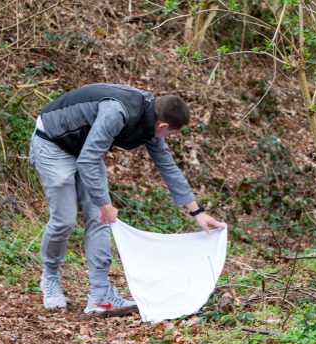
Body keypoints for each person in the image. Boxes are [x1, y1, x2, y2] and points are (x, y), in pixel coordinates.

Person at [29, 83, 225, 314]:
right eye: (170, 134)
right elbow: (88, 161)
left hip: (85, 149)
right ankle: (50, 278)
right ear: (162, 125)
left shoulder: (149, 122)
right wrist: (105, 204)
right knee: (65, 219)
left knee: (101, 220)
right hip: (52, 143)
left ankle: (100, 295)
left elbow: (167, 165)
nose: (167, 138)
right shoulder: (118, 112)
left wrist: (197, 212)